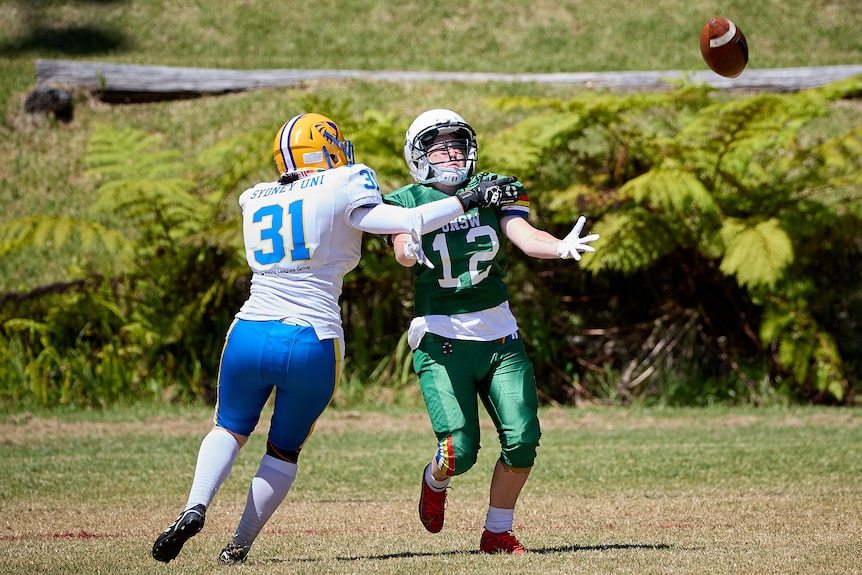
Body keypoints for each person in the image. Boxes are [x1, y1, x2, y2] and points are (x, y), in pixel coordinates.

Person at [151, 112, 520, 565]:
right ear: (327, 148)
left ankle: (195, 505)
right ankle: (238, 545)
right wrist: (469, 199)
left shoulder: (254, 197)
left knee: (228, 427)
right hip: (311, 337)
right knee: (282, 449)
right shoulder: (346, 181)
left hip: (248, 331)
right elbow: (408, 218)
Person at [384, 109, 600, 554]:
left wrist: (559, 246)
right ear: (417, 153)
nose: (451, 151)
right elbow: (403, 249)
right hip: (441, 337)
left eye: (457, 142)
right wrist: (409, 246)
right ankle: (434, 480)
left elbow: (522, 234)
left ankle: (497, 531)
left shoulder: (494, 187)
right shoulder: (404, 200)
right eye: (439, 144)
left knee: (523, 440)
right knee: (457, 453)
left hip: (500, 335)